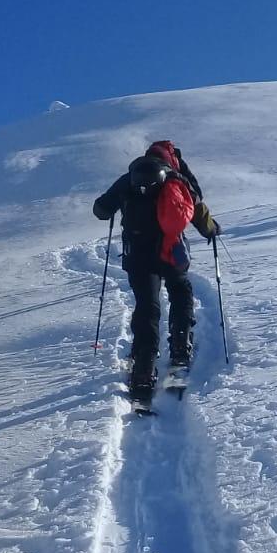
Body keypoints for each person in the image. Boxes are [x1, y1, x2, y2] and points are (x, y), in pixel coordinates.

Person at [93, 140, 221, 399]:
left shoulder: (129, 178)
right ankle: (181, 345)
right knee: (180, 291)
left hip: (138, 255)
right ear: (171, 158)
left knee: (147, 306)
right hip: (171, 251)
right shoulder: (176, 178)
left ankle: (143, 367)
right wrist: (211, 229)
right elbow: (197, 208)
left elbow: (101, 210)